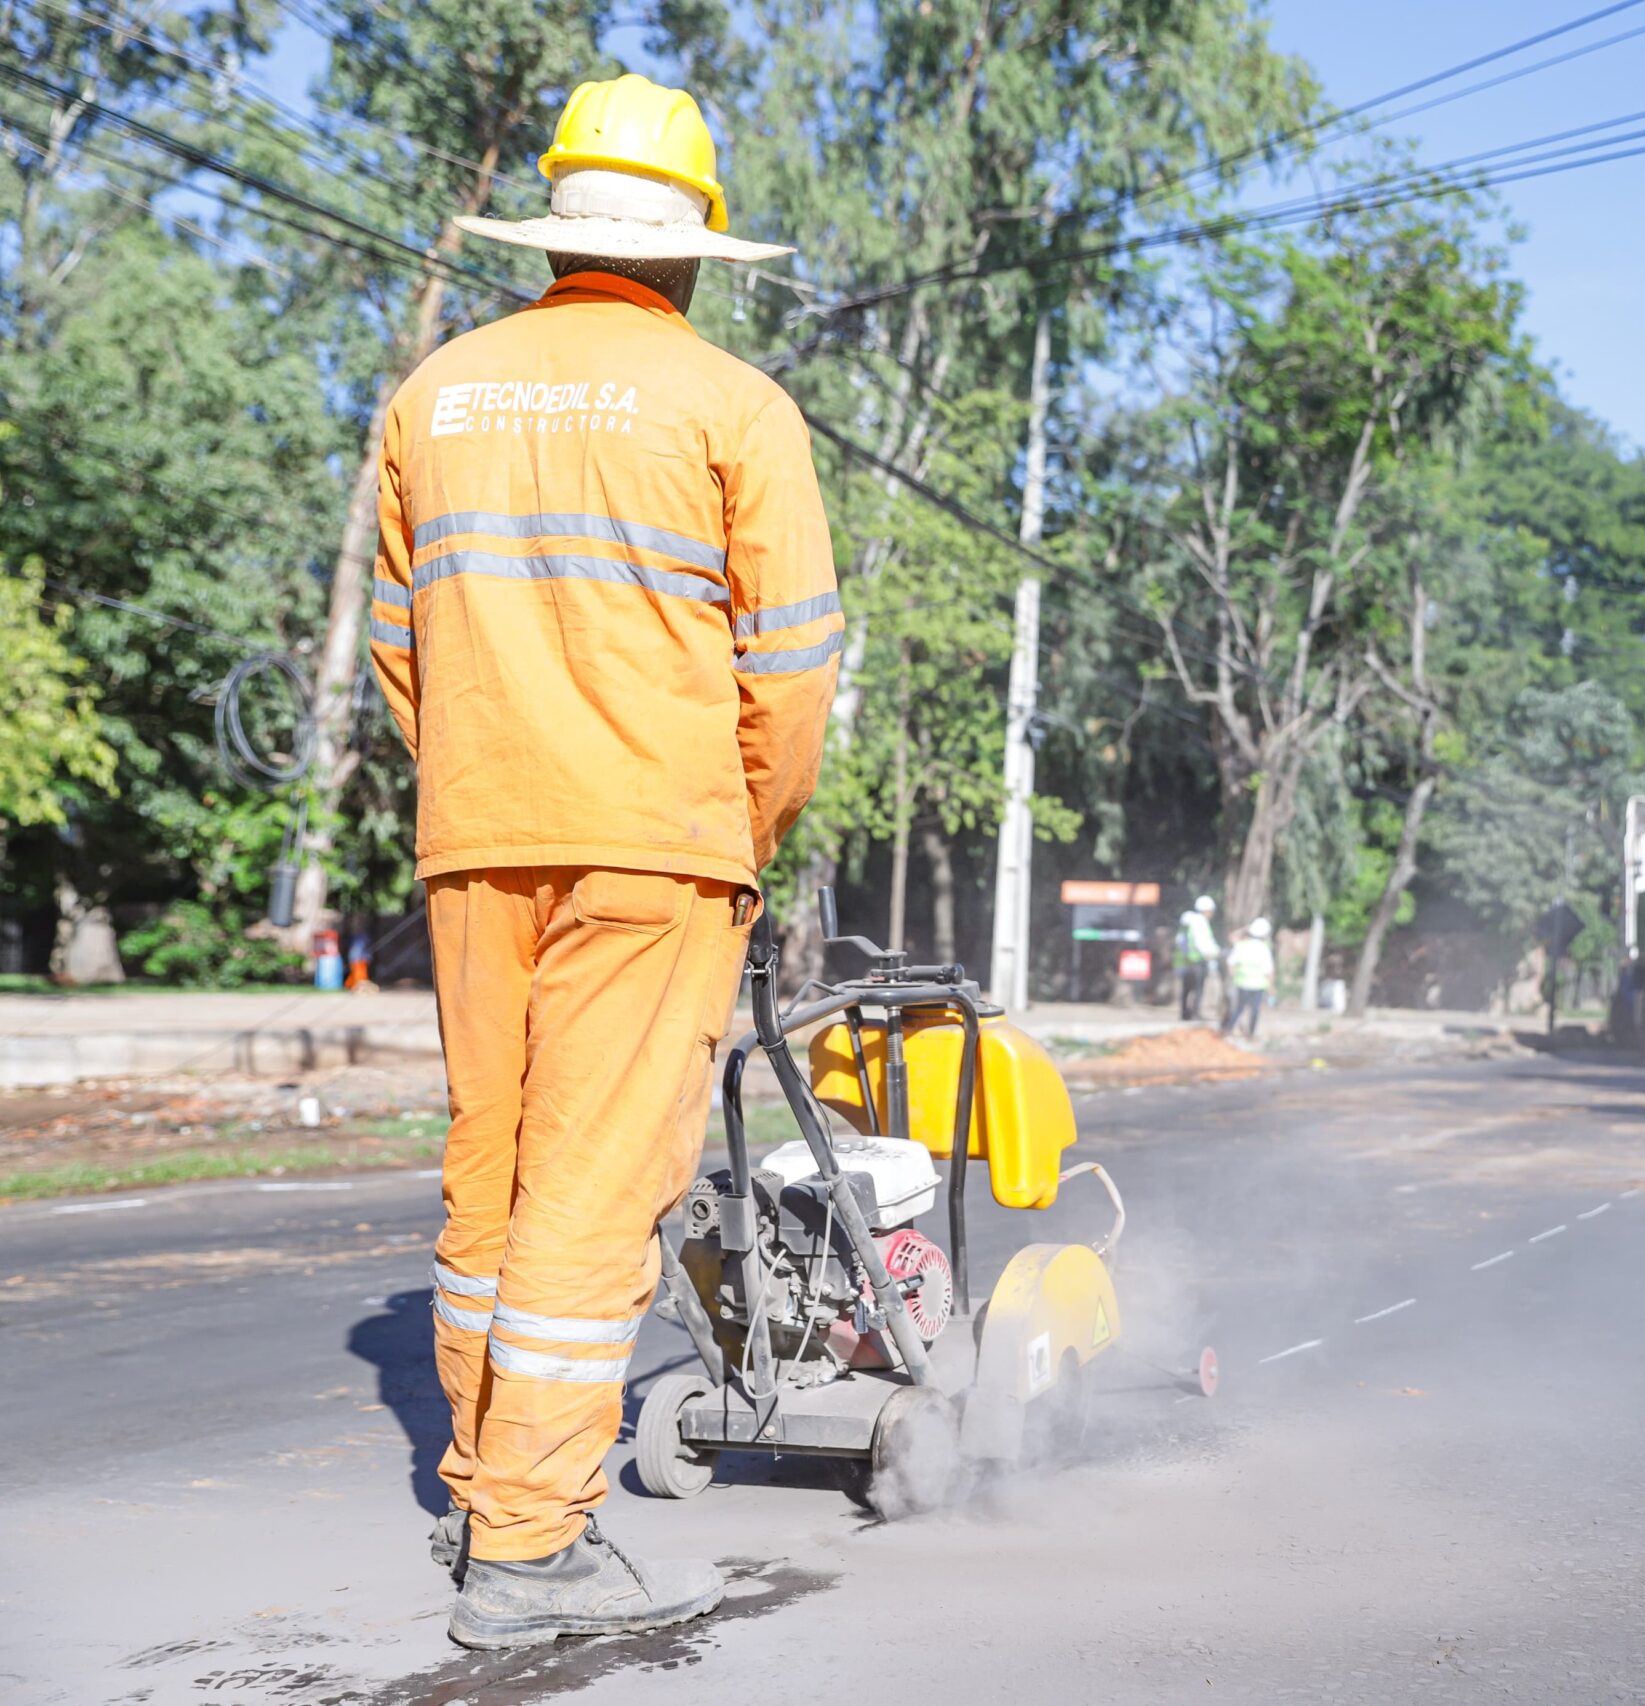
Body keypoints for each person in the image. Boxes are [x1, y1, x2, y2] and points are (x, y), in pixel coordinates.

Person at [368, 75, 838, 1650]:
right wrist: (738, 824)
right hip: (654, 844)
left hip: (478, 834)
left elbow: (397, 651)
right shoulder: (734, 408)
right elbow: (789, 676)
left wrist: (483, 774)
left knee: (491, 1171)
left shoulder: (434, 393)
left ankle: (483, 1478)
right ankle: (525, 1551)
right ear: (696, 251)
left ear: (555, 232)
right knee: (588, 1194)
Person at [1223, 916, 1274, 1039]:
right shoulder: (1264, 948)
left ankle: (1227, 1030)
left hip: (1242, 983)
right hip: (1258, 985)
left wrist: (1245, 929)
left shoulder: (1241, 945)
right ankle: (1251, 1034)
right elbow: (1270, 970)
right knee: (1255, 1010)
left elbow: (1230, 963)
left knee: (1239, 1009)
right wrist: (1271, 986)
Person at [1177, 895, 1221, 1023]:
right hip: (1199, 960)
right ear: (1207, 910)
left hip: (1188, 960)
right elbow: (1203, 943)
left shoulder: (1189, 922)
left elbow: (1180, 941)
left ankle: (1185, 1013)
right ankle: (1195, 1013)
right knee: (1198, 988)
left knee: (1187, 988)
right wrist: (1214, 953)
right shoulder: (1200, 922)